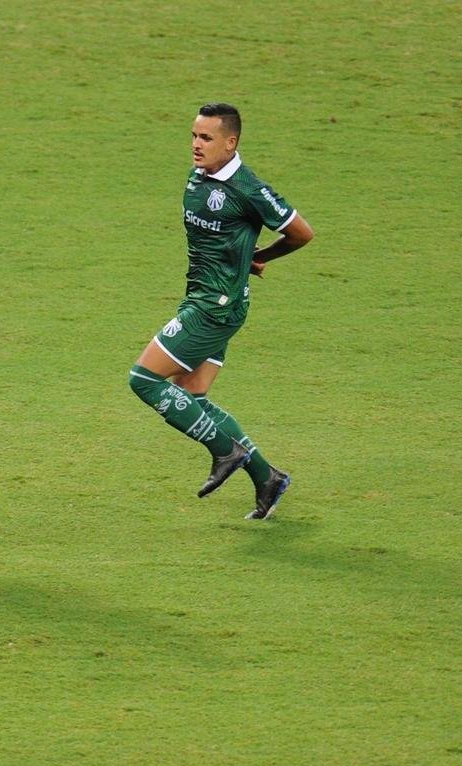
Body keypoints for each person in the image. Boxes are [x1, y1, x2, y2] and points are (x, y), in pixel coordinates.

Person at [128, 103, 314, 519]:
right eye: (194, 136)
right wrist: (243, 257)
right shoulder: (200, 175)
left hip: (215, 308)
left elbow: (301, 233)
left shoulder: (248, 189)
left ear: (231, 143)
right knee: (191, 395)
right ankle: (268, 477)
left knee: (144, 379)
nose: (196, 145)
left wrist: (261, 256)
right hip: (206, 298)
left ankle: (224, 451)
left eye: (207, 138)